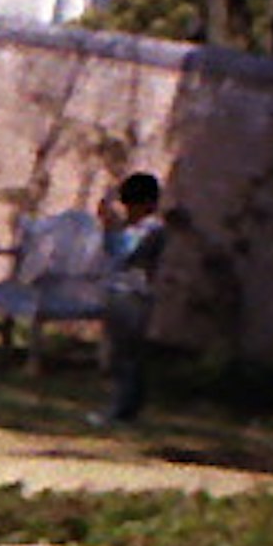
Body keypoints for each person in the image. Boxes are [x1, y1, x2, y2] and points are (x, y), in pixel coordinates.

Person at [98, 168, 166, 427]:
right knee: (119, 355)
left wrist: (110, 226)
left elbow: (122, 253)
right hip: (123, 293)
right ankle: (124, 407)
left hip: (132, 296)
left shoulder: (149, 230)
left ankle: (122, 409)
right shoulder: (136, 228)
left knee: (124, 356)